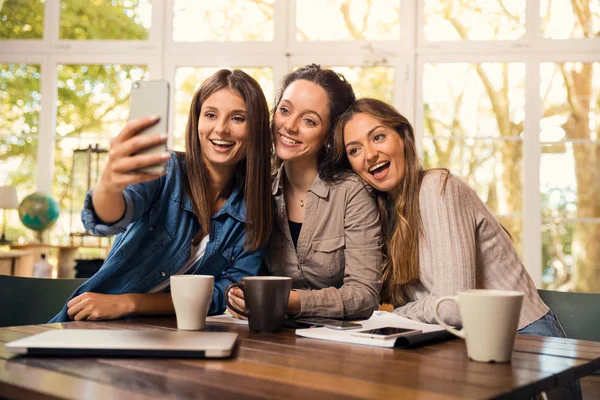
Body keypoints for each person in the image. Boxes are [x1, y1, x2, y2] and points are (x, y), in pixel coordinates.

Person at [334, 97, 581, 399]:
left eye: (378, 136)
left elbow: (452, 307)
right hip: (468, 348)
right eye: (354, 150)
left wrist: (392, 313)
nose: (369, 154)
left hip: (525, 344)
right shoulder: (386, 215)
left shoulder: (438, 187)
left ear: (403, 137)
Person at [50, 69, 273, 322]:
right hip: (93, 324)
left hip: (172, 337)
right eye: (210, 115)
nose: (221, 129)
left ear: (255, 128)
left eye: (238, 118)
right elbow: (110, 218)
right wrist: (109, 185)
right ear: (196, 120)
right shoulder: (166, 170)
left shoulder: (256, 210)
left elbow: (221, 296)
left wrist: (130, 303)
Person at [228, 64, 383, 320]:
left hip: (337, 346)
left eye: (309, 121)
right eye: (285, 110)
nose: (289, 126)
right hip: (271, 336)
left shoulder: (352, 193)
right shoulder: (258, 190)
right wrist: (237, 298)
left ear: (330, 135)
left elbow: (365, 295)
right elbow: (241, 273)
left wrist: (287, 302)